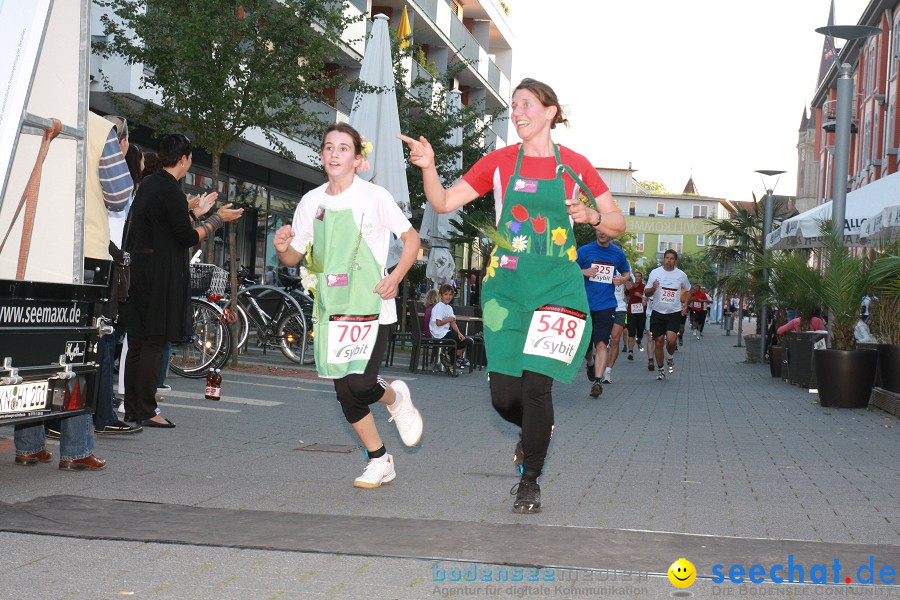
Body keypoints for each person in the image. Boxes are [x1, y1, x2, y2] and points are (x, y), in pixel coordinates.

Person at [400, 78, 626, 514]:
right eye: (513, 105)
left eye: (526, 104)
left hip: (559, 288)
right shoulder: (500, 162)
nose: (517, 111)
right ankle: (534, 435)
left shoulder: (575, 165)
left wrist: (593, 214)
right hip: (505, 289)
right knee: (504, 396)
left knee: (537, 388)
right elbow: (444, 202)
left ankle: (530, 481)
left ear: (550, 111)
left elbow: (616, 223)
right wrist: (428, 166)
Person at [273, 122, 423, 489]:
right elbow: (296, 256)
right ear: (322, 155)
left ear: (358, 160)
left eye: (343, 148)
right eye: (328, 147)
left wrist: (396, 277)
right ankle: (379, 460)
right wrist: (281, 247)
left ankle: (396, 398)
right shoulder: (312, 202)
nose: (334, 153)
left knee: (360, 382)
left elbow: (411, 238)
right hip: (332, 308)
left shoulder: (375, 196)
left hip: (372, 304)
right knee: (345, 392)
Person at [14, 112, 133, 470]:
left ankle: (29, 445)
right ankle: (76, 450)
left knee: (32, 350)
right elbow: (119, 194)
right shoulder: (99, 128)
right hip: (83, 255)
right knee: (79, 352)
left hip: (28, 249)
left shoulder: (25, 112)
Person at [124, 134, 243, 428]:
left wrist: (191, 210)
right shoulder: (169, 189)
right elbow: (187, 237)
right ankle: (146, 408)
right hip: (160, 274)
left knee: (139, 342)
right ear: (184, 159)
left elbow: (165, 224)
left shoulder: (151, 184)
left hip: (141, 271)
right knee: (153, 341)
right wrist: (217, 220)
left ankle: (134, 407)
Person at [577, 231, 630, 397]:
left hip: (606, 305)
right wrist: (583, 272)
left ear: (611, 233)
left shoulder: (617, 253)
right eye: (599, 229)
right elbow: (567, 269)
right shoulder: (584, 251)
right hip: (584, 305)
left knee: (601, 344)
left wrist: (622, 279)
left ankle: (598, 382)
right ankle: (590, 362)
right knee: (585, 346)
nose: (602, 233)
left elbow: (626, 272)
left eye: (606, 231)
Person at [644, 249, 691, 380]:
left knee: (671, 340)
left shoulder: (681, 275)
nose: (669, 260)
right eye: (667, 258)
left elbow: (688, 290)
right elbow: (646, 292)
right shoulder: (655, 273)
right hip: (657, 312)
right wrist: (653, 288)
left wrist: (685, 305)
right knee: (658, 341)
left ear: (675, 261)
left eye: (672, 258)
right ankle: (661, 370)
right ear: (663, 259)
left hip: (674, 313)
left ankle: (670, 357)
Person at [430, 284, 473, 370]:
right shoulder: (439, 307)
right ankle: (452, 360)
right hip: (438, 333)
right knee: (461, 341)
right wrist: (448, 319)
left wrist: (459, 333)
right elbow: (438, 323)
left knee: (465, 341)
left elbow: (453, 323)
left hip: (446, 332)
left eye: (450, 295)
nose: (448, 297)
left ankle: (450, 358)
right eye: (446, 294)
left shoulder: (449, 308)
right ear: (441, 295)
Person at [624, 270, 646, 360]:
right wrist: (627, 290)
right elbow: (624, 295)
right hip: (631, 312)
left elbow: (648, 298)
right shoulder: (631, 287)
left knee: (640, 331)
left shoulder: (644, 287)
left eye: (639, 276)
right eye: (635, 276)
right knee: (632, 332)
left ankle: (639, 340)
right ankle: (630, 352)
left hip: (641, 313)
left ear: (641, 278)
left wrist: (640, 296)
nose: (637, 277)